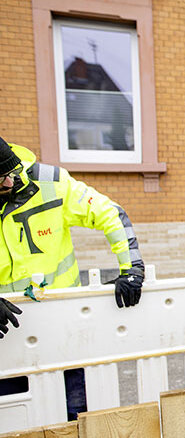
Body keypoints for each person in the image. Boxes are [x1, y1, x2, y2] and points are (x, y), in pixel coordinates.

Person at [0, 136, 145, 419]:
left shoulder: (50, 182)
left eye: (10, 174)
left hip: (63, 325)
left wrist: (132, 270)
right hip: (9, 333)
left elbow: (111, 214)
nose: (8, 183)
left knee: (74, 415)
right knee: (15, 418)